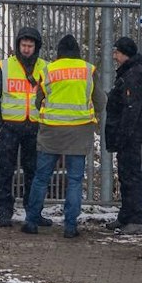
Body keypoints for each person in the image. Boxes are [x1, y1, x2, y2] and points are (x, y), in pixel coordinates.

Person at [24, 34, 96, 239]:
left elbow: (39, 100)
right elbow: (99, 99)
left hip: (51, 132)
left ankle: (31, 221)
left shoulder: (48, 70)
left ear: (59, 52)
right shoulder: (87, 69)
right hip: (79, 131)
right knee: (74, 180)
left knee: (41, 178)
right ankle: (70, 226)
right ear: (77, 52)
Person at [0, 26, 45, 228]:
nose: (26, 49)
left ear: (36, 47)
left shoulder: (45, 68)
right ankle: (4, 212)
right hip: (10, 127)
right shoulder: (5, 66)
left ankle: (33, 212)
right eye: (23, 45)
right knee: (5, 171)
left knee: (33, 172)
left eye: (30, 45)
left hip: (35, 127)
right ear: (18, 45)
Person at [103, 36, 142, 231]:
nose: (114, 56)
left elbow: (131, 109)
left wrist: (122, 135)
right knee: (126, 174)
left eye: (117, 52)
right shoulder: (134, 72)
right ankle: (127, 215)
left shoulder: (132, 76)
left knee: (130, 175)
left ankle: (136, 217)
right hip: (131, 133)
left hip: (129, 135)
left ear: (125, 54)